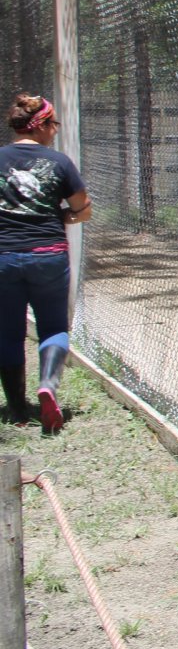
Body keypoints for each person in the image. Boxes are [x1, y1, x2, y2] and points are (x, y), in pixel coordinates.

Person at [0, 94, 90, 432]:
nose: (55, 131)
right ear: (41, 126)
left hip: (4, 257)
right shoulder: (59, 162)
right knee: (53, 327)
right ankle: (47, 388)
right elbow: (84, 208)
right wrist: (68, 215)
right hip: (48, 256)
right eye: (53, 125)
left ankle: (19, 412)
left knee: (8, 333)